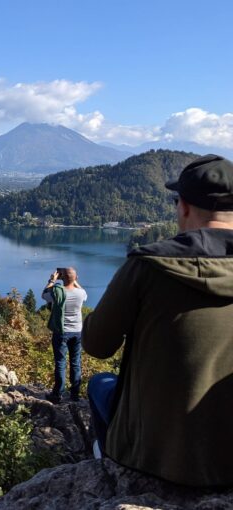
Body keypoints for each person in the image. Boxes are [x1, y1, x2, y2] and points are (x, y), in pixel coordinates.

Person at [83, 154, 233, 487]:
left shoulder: (149, 266)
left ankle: (108, 466)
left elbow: (96, 344)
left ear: (183, 207)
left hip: (155, 456)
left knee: (99, 385)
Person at [41, 267, 87, 403]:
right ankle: (75, 394)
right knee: (76, 362)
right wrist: (74, 280)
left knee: (61, 363)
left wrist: (52, 280)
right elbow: (81, 290)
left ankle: (57, 394)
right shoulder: (81, 293)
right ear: (76, 278)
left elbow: (44, 294)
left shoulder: (57, 292)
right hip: (77, 332)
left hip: (61, 332)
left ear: (63, 278)